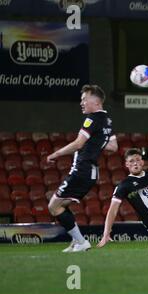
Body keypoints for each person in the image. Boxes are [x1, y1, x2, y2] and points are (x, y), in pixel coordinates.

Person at [47, 84, 118, 252]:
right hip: (90, 172)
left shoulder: (92, 119)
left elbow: (78, 143)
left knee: (53, 206)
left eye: (84, 99)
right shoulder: (107, 120)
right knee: (61, 206)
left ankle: (81, 242)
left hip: (82, 169)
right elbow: (113, 146)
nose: (82, 103)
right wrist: (97, 142)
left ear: (96, 101)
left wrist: (55, 154)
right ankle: (76, 240)